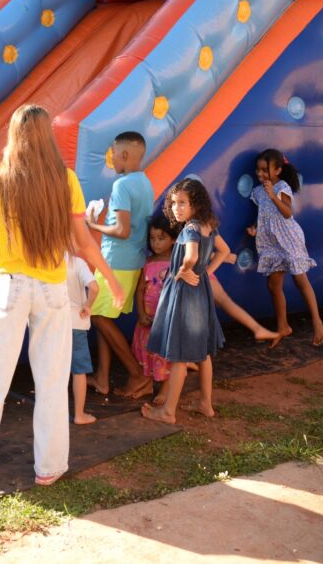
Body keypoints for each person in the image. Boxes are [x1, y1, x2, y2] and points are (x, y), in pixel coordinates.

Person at [0, 105, 124, 486]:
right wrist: (111, 279)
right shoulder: (65, 179)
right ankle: (50, 467)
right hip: (53, 287)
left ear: (13, 134)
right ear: (47, 135)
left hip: (11, 285)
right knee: (52, 378)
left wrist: (5, 262)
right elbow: (83, 242)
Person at [143, 178, 226, 424]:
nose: (177, 208)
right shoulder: (207, 225)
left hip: (183, 293)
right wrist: (206, 272)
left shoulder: (190, 229)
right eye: (174, 203)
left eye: (183, 203)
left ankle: (168, 411)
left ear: (196, 204)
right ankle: (206, 404)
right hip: (200, 292)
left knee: (179, 353)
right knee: (202, 354)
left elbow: (190, 256)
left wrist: (182, 270)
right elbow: (223, 250)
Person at [86, 131, 153, 399]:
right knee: (106, 318)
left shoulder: (122, 186)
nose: (111, 158)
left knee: (97, 315)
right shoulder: (144, 182)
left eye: (113, 153)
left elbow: (122, 230)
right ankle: (102, 379)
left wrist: (93, 225)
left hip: (117, 262)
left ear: (124, 154)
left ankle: (137, 375)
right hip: (133, 261)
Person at [247, 149, 323, 346]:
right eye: (258, 170)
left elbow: (287, 213)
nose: (260, 174)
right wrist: (255, 229)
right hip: (271, 241)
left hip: (289, 238)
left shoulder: (282, 187)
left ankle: (317, 322)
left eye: (265, 170)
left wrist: (273, 195)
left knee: (300, 280)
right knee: (273, 285)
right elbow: (264, 215)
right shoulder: (257, 192)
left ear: (278, 170)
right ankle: (283, 327)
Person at [132, 215, 177, 405]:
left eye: (161, 238)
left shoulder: (177, 263)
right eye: (152, 238)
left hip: (166, 320)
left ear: (173, 239)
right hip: (148, 320)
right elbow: (140, 289)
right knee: (147, 352)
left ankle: (166, 389)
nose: (156, 243)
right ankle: (147, 384)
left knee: (166, 355)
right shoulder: (148, 262)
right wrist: (141, 314)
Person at [66, 253, 99, 425]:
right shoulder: (77, 263)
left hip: (52, 325)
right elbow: (94, 287)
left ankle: (51, 415)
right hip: (76, 323)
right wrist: (88, 306)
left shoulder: (43, 261)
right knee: (79, 371)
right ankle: (79, 414)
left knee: (53, 371)